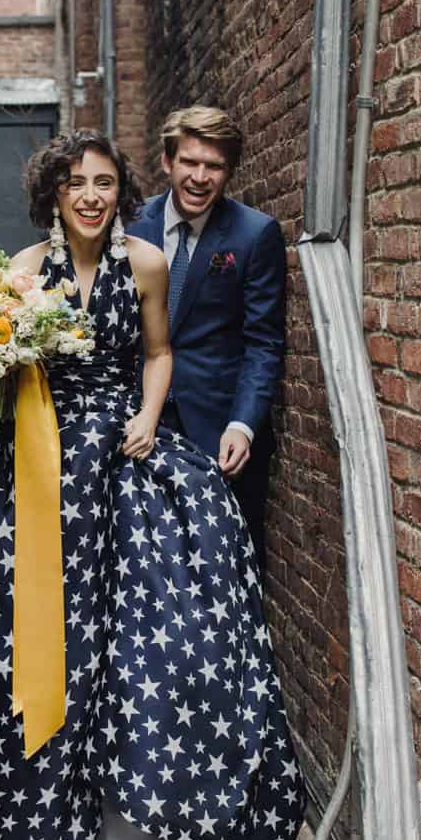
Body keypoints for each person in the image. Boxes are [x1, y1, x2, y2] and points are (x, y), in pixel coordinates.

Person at [0, 128, 301, 840]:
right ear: (53, 191)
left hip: (119, 448)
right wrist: (6, 358)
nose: (90, 195)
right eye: (75, 181)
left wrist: (148, 416)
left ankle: (127, 816)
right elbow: (10, 369)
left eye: (104, 182)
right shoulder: (21, 270)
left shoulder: (146, 262)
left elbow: (159, 352)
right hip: (34, 453)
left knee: (145, 619)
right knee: (9, 617)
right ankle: (27, 808)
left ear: (121, 192)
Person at [126, 106, 286, 573]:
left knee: (223, 566)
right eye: (189, 162)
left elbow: (263, 343)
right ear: (167, 162)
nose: (199, 177)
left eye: (213, 166)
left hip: (217, 433)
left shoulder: (255, 235)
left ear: (229, 171)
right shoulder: (129, 225)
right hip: (138, 423)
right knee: (147, 566)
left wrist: (243, 425)